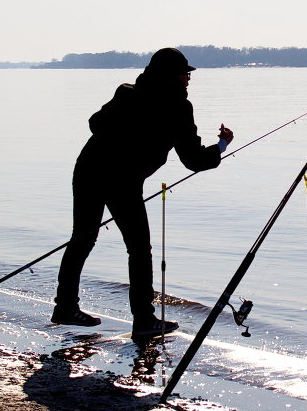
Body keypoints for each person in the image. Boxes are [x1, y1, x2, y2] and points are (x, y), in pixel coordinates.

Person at [52, 47, 233, 341]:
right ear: (174, 76)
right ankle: (144, 320)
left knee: (82, 239)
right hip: (122, 180)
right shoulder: (177, 107)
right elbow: (194, 161)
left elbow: (95, 123)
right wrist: (222, 145)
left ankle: (65, 307)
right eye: (186, 74)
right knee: (138, 249)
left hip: (88, 170)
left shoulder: (126, 92)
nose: (189, 80)